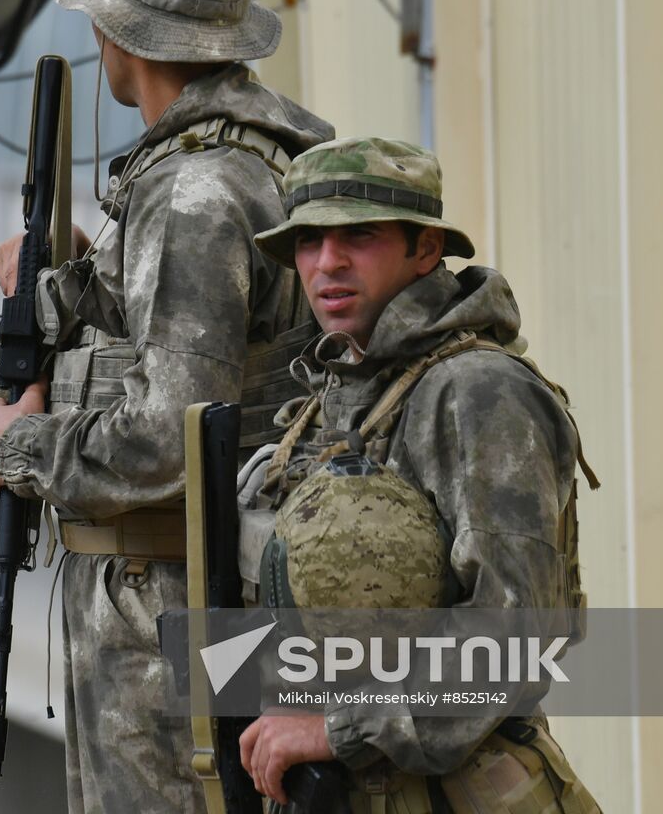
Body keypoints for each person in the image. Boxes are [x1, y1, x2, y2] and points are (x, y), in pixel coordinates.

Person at [0, 0, 333, 814]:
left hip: (173, 602)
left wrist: (17, 446)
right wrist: (52, 289)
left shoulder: (193, 196)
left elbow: (175, 437)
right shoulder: (267, 157)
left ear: (118, 36)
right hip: (216, 592)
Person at [237, 136, 602, 812]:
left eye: (361, 236)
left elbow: (516, 633)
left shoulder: (476, 392)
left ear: (426, 250)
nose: (328, 263)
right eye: (309, 242)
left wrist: (339, 729)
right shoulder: (338, 391)